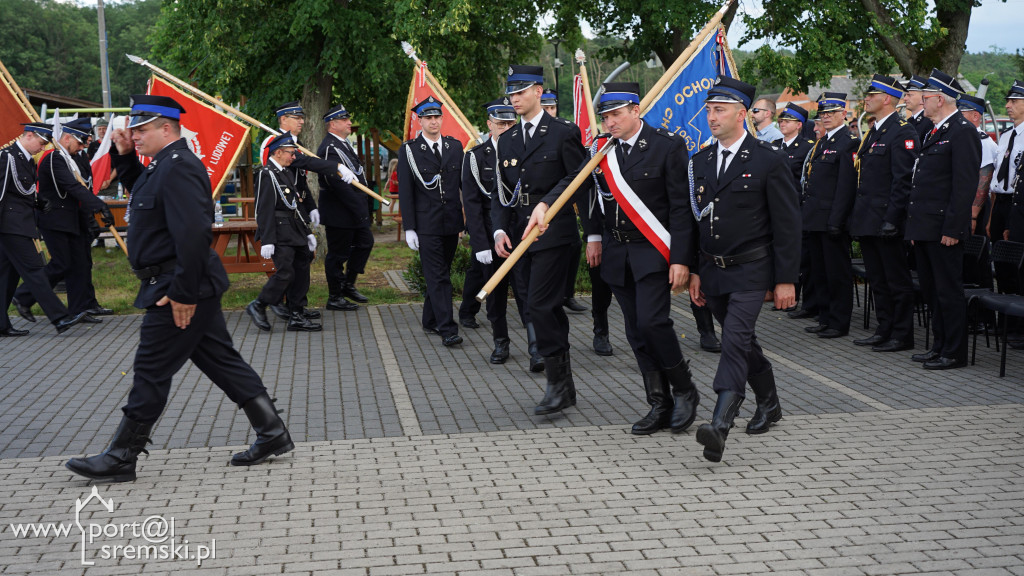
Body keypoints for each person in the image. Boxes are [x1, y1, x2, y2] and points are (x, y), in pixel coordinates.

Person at [65, 95, 294, 482]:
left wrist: (185, 293)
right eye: (134, 131)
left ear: (166, 128)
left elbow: (192, 234)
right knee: (221, 361)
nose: (134, 136)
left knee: (150, 370)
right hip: (179, 282)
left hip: (178, 286)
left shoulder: (180, 166)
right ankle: (272, 432)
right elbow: (145, 196)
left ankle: (122, 454)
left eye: (141, 130)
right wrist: (122, 157)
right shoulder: (162, 166)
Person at [559, 82, 701, 435]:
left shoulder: (667, 147)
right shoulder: (601, 151)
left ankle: (685, 390)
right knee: (636, 331)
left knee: (654, 323)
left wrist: (682, 259)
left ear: (636, 110)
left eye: (617, 115)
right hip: (617, 252)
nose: (610, 123)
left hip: (653, 251)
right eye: (606, 117)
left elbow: (682, 208)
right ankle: (659, 402)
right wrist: (593, 236)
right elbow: (588, 194)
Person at [685, 76, 801, 462]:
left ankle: (719, 425)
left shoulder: (769, 160)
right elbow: (695, 221)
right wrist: (696, 269)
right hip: (714, 271)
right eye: (708, 110)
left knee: (734, 340)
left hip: (753, 270)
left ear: (741, 114)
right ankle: (769, 402)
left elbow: (787, 226)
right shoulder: (700, 161)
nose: (711, 117)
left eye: (719, 110)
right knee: (744, 342)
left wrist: (785, 280)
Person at [497, 65, 587, 413]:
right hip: (520, 236)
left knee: (539, 305)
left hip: (554, 234)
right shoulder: (506, 139)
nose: (514, 98)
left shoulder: (562, 132)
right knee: (536, 307)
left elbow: (581, 177)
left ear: (538, 91)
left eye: (520, 92)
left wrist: (550, 204)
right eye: (511, 93)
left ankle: (556, 384)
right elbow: (501, 193)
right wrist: (499, 229)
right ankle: (564, 386)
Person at [905, 69, 982, 370]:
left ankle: (954, 352)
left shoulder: (962, 131)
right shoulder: (934, 130)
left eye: (925, 98)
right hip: (926, 227)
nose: (921, 102)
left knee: (948, 291)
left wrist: (952, 228)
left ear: (940, 98)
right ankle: (938, 345)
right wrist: (915, 226)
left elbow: (964, 187)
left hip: (944, 229)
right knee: (932, 291)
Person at [10, 118, 113, 325]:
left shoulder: (72, 157)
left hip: (72, 219)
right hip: (54, 220)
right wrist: (99, 206)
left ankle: (79, 308)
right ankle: (23, 296)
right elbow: (71, 187)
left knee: (79, 263)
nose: (83, 147)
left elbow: (84, 185)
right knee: (60, 264)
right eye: (81, 142)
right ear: (67, 138)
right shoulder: (54, 158)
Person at [848, 75, 919, 353]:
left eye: (872, 94)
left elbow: (903, 180)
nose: (867, 98)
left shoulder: (903, 131)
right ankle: (884, 328)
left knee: (896, 280)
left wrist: (893, 218)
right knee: (877, 279)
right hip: (868, 218)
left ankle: (902, 334)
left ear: (887, 98)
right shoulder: (875, 131)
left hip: (886, 220)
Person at [259, 101, 348, 321]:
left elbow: (298, 183)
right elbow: (283, 178)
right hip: (282, 216)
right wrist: (334, 167)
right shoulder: (274, 143)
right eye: (296, 118)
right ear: (282, 120)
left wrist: (310, 207)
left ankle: (296, 305)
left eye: (302, 118)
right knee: (288, 263)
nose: (301, 121)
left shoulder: (294, 144)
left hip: (296, 211)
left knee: (302, 259)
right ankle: (278, 303)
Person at [0, 123, 88, 337]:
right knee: (34, 270)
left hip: (20, 223)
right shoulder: (7, 157)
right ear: (29, 135)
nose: (42, 147)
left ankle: (1, 324)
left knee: (6, 276)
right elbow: (1, 194)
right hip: (10, 226)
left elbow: (21, 190)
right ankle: (60, 316)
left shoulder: (26, 159)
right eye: (40, 142)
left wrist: (37, 202)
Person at [460, 98, 526, 363]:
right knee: (496, 295)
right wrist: (480, 244)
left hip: (522, 231)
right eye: (501, 124)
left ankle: (535, 347)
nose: (507, 128)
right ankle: (501, 343)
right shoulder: (476, 157)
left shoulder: (525, 151)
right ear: (489, 125)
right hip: (490, 233)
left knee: (527, 291)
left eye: (511, 123)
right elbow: (472, 205)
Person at [397, 96, 465, 347]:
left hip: (451, 223)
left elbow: (462, 185)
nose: (433, 122)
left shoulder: (454, 147)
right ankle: (448, 328)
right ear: (420, 120)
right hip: (426, 226)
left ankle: (429, 319)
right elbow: (406, 191)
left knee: (441, 273)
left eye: (437, 117)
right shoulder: (410, 151)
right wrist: (410, 228)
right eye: (428, 118)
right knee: (438, 277)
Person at [246, 133, 321, 332]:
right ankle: (259, 304)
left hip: (294, 229)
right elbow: (263, 209)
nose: (293, 156)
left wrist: (307, 232)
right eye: (290, 153)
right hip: (279, 232)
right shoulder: (266, 174)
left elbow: (295, 205)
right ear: (278, 153)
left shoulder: (286, 172)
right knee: (286, 272)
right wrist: (267, 240)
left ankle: (296, 313)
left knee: (301, 268)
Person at [799, 92, 858, 339]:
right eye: (823, 114)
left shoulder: (849, 142)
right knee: (820, 272)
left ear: (843, 113)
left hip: (832, 220)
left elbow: (846, 187)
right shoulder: (823, 142)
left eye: (832, 113)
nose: (826, 117)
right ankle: (824, 317)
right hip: (815, 218)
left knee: (837, 274)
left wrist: (837, 220)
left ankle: (838, 322)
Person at [316, 103, 374, 311]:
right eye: (345, 120)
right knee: (337, 254)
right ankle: (335, 296)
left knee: (365, 242)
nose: (350, 123)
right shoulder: (330, 148)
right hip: (340, 211)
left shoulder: (342, 143)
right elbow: (337, 184)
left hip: (353, 209)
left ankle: (348, 284)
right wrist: (359, 209)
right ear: (333, 124)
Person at [772, 103, 815, 313]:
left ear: (799, 125)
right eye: (781, 120)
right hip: (774, 209)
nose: (782, 123)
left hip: (795, 207)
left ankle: (797, 299)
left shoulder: (807, 146)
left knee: (800, 257)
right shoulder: (774, 145)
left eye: (787, 121)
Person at [956, 94, 998, 238]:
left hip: (974, 207)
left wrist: (973, 216)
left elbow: (983, 180)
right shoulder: (962, 136)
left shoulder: (982, 141)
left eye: (961, 113)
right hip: (961, 203)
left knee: (974, 252)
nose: (957, 117)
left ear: (975, 116)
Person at [989, 80, 1024, 243]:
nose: (1008, 106)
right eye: (1008, 101)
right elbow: (997, 174)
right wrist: (991, 217)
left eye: (1014, 101)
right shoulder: (1005, 136)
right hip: (999, 203)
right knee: (997, 253)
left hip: (1017, 203)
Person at [903, 75, 935, 142]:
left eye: (909, 95)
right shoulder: (909, 121)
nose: (905, 98)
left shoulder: (929, 122)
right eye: (905, 95)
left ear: (922, 98)